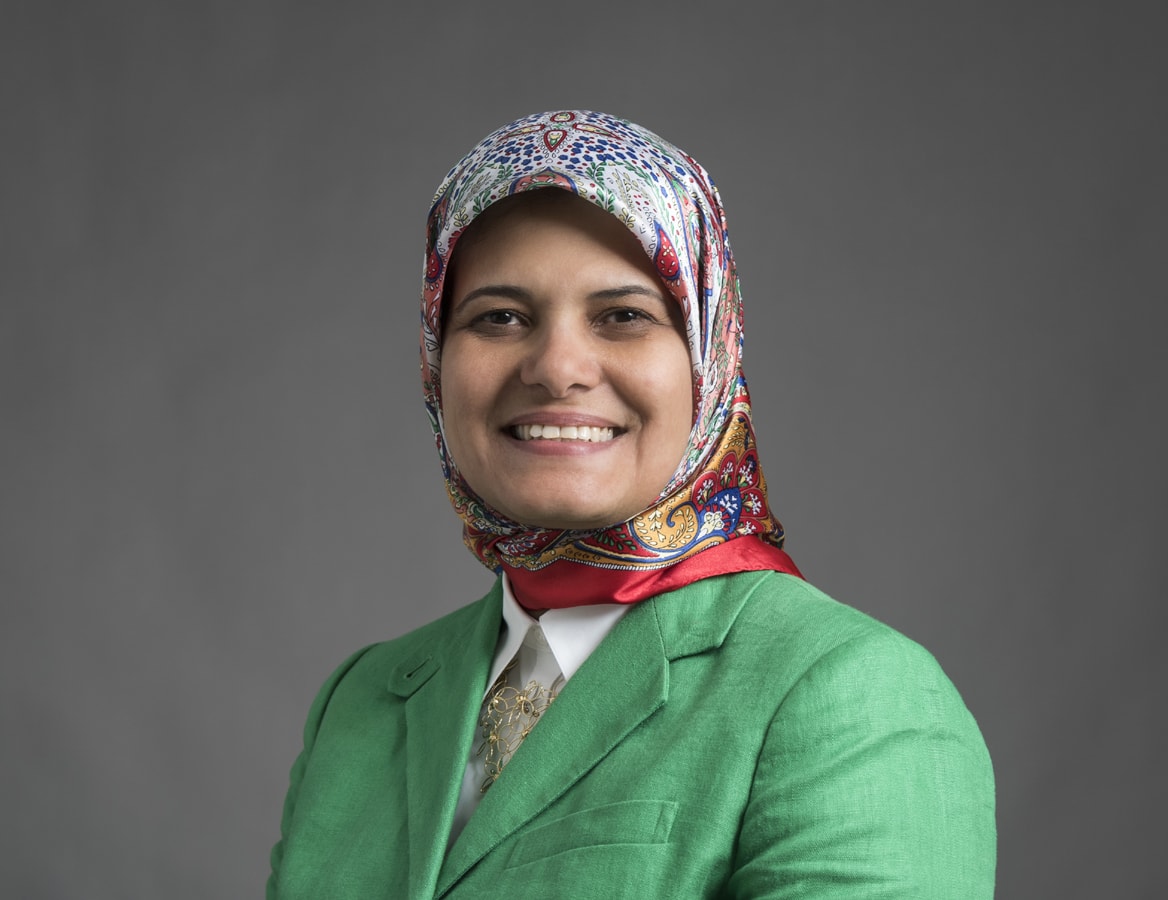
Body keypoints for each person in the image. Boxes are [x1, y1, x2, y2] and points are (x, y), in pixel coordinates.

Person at [267, 109, 996, 899]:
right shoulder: (363, 699)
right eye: (499, 317)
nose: (557, 368)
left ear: (710, 357)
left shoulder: (850, 692)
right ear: (437, 360)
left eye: (624, 316)